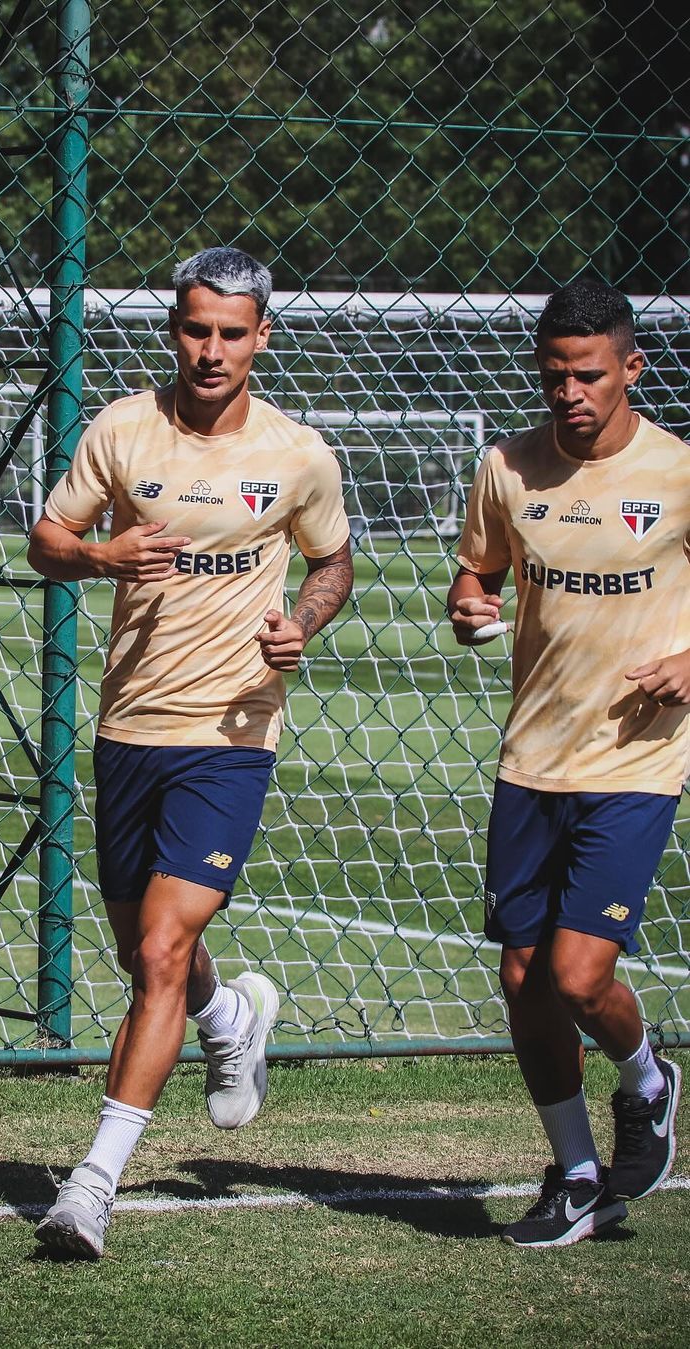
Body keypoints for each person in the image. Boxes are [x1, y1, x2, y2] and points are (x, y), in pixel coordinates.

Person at [27, 246, 354, 1259]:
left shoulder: (298, 452)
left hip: (233, 731)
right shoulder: (123, 429)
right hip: (130, 727)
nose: (212, 350)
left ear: (262, 337)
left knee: (162, 949)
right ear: (175, 331)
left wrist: (302, 623)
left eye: (232, 333)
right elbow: (46, 538)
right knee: (144, 950)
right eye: (197, 329)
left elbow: (332, 561)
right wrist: (99, 554)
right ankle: (229, 1019)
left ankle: (91, 1184)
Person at [448, 277, 684, 1249]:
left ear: (632, 367)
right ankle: (579, 1173)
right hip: (531, 759)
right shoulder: (506, 466)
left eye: (588, 374)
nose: (569, 392)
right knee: (522, 975)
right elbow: (477, 571)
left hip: (635, 761)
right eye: (554, 374)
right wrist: (469, 603)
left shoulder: (678, 471)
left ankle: (647, 1080)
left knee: (580, 976)